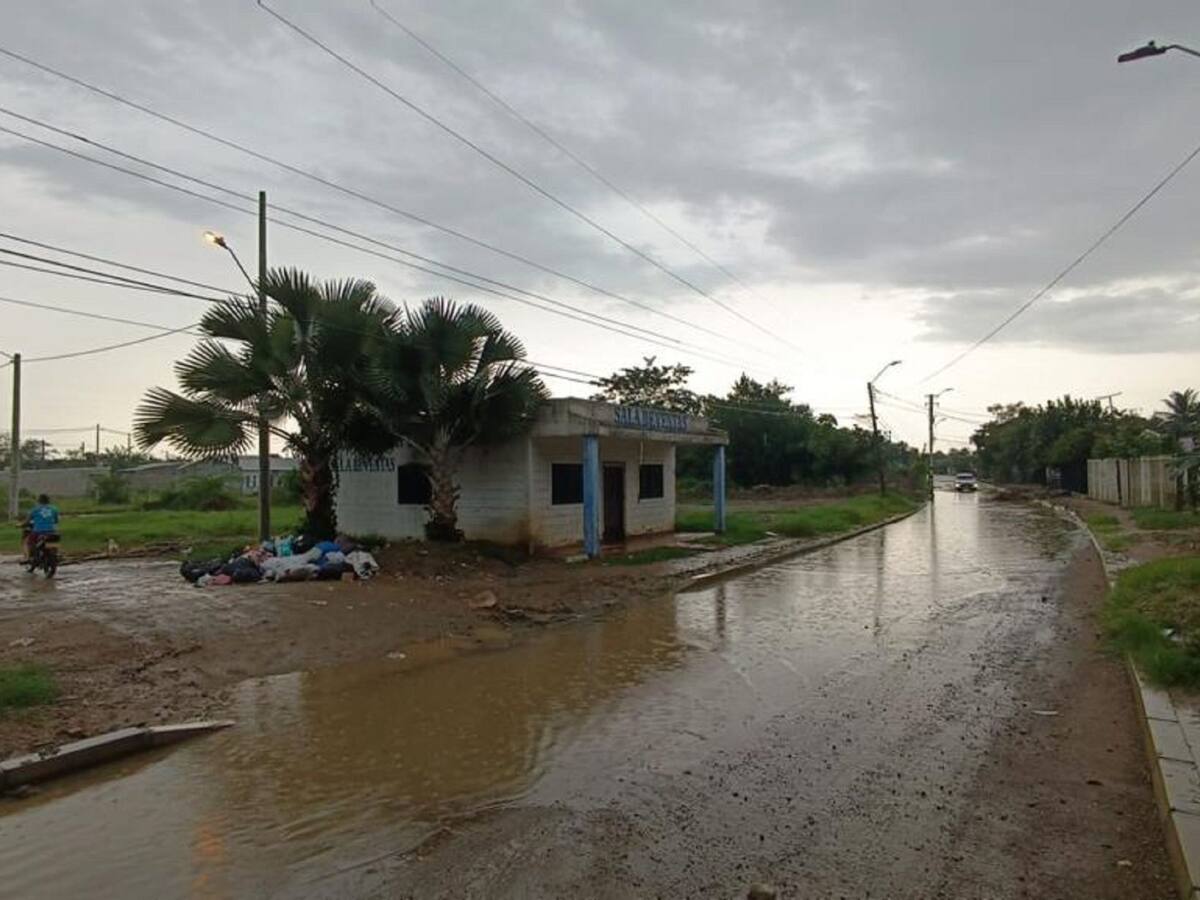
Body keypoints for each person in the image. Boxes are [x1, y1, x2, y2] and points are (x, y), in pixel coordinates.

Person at [22, 493, 60, 561]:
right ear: (48, 501)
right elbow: (56, 521)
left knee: (27, 542)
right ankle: (55, 554)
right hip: (51, 531)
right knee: (54, 541)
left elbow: (27, 521)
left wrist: (22, 524)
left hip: (38, 531)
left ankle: (28, 558)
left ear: (39, 501)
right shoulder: (54, 509)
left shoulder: (35, 510)